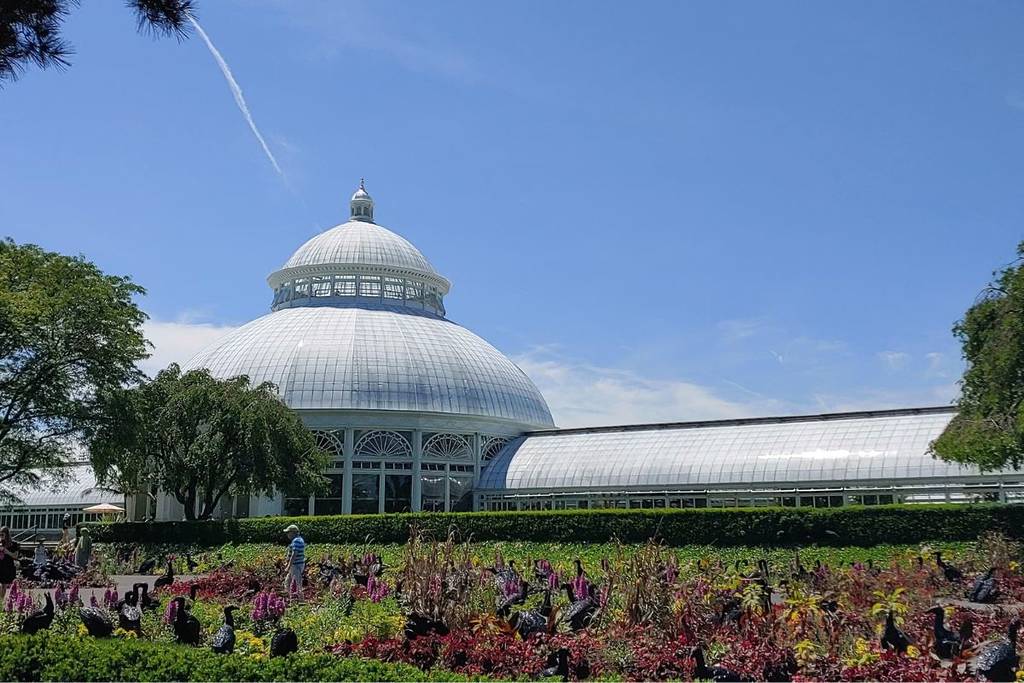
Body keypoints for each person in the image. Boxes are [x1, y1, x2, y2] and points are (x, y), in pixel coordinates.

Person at [283, 524, 305, 601]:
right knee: (287, 582)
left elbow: (294, 554)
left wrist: (289, 565)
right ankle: (289, 598)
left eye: (288, 532)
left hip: (296, 565)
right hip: (294, 565)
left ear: (293, 533)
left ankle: (300, 600)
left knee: (297, 583)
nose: (287, 534)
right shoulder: (298, 540)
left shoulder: (297, 541)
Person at [0, 526, 20, 603]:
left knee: (4, 585)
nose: (1, 537)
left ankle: (1, 603)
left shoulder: (14, 544)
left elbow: (15, 556)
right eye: (0, 535)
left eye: (2, 535)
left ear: (7, 535)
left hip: (7, 566)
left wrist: (6, 551)